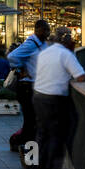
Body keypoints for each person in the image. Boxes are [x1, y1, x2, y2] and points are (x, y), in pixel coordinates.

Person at [32, 26, 85, 169]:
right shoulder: (66, 54)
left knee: (43, 135)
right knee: (57, 136)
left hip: (38, 97)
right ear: (66, 40)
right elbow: (80, 76)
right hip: (55, 99)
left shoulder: (44, 53)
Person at [5, 20, 51, 152]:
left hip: (36, 87)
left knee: (33, 120)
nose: (47, 33)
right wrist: (22, 69)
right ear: (37, 29)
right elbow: (12, 57)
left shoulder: (42, 44)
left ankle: (22, 144)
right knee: (32, 120)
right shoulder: (31, 44)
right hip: (27, 87)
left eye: (48, 30)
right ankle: (26, 149)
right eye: (45, 30)